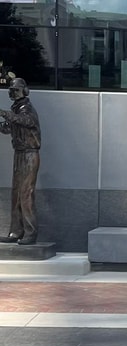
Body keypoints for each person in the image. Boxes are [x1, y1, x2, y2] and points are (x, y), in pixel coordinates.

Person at [0, 78, 41, 245]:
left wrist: (4, 113)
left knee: (26, 194)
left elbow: (26, 121)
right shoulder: (16, 109)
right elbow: (9, 128)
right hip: (20, 154)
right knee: (16, 194)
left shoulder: (26, 109)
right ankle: (16, 231)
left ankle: (30, 232)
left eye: (15, 90)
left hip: (30, 154)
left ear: (24, 90)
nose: (12, 93)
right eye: (11, 90)